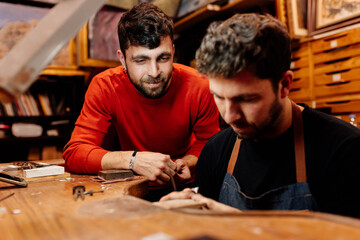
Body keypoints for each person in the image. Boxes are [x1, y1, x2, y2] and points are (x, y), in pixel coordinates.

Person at [160, 13, 360, 218]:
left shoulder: (344, 150)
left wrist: (234, 221)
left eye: (246, 99)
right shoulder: (216, 151)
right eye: (218, 96)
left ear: (284, 85)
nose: (230, 116)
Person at [63, 3, 220, 200]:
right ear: (122, 59)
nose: (154, 72)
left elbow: (211, 142)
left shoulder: (199, 84)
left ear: (173, 51)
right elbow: (75, 153)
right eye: (141, 61)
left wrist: (189, 161)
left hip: (185, 189)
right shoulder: (105, 86)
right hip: (130, 189)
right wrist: (133, 160)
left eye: (163, 58)